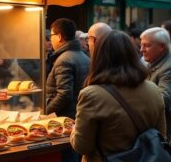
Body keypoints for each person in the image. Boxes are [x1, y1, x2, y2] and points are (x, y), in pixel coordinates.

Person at [71, 30, 166, 162]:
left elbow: (82, 147)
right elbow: (161, 136)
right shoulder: (154, 90)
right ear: (132, 55)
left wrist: (74, 129)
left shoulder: (91, 94)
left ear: (99, 57)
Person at [46, 18, 90, 162]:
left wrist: (46, 112)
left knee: (68, 157)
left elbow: (64, 94)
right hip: (78, 118)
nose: (50, 40)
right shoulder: (83, 56)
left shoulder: (63, 59)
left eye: (51, 36)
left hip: (65, 121)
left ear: (59, 37)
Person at [140, 27, 171, 139]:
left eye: (147, 45)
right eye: (141, 45)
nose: (141, 49)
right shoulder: (150, 62)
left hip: (162, 133)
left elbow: (164, 99)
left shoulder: (168, 68)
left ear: (162, 47)